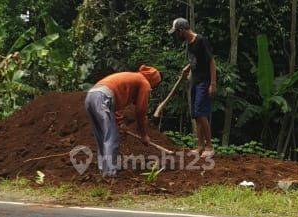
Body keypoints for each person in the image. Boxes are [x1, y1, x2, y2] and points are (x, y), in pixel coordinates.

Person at [85, 65, 162, 177]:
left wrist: (120, 123)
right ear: (153, 80)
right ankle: (109, 173)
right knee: (112, 137)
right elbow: (141, 110)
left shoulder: (133, 78)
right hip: (103, 98)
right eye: (156, 84)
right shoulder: (144, 82)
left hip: (91, 96)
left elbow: (115, 104)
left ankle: (104, 170)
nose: (153, 88)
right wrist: (143, 135)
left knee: (102, 136)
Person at [169, 17, 217, 158]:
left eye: (177, 32)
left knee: (201, 113)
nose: (177, 35)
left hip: (204, 81)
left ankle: (209, 147)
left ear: (182, 30)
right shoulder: (189, 43)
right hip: (194, 81)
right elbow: (196, 59)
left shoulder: (201, 40)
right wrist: (188, 67)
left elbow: (211, 62)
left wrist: (213, 84)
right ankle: (200, 147)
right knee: (195, 115)